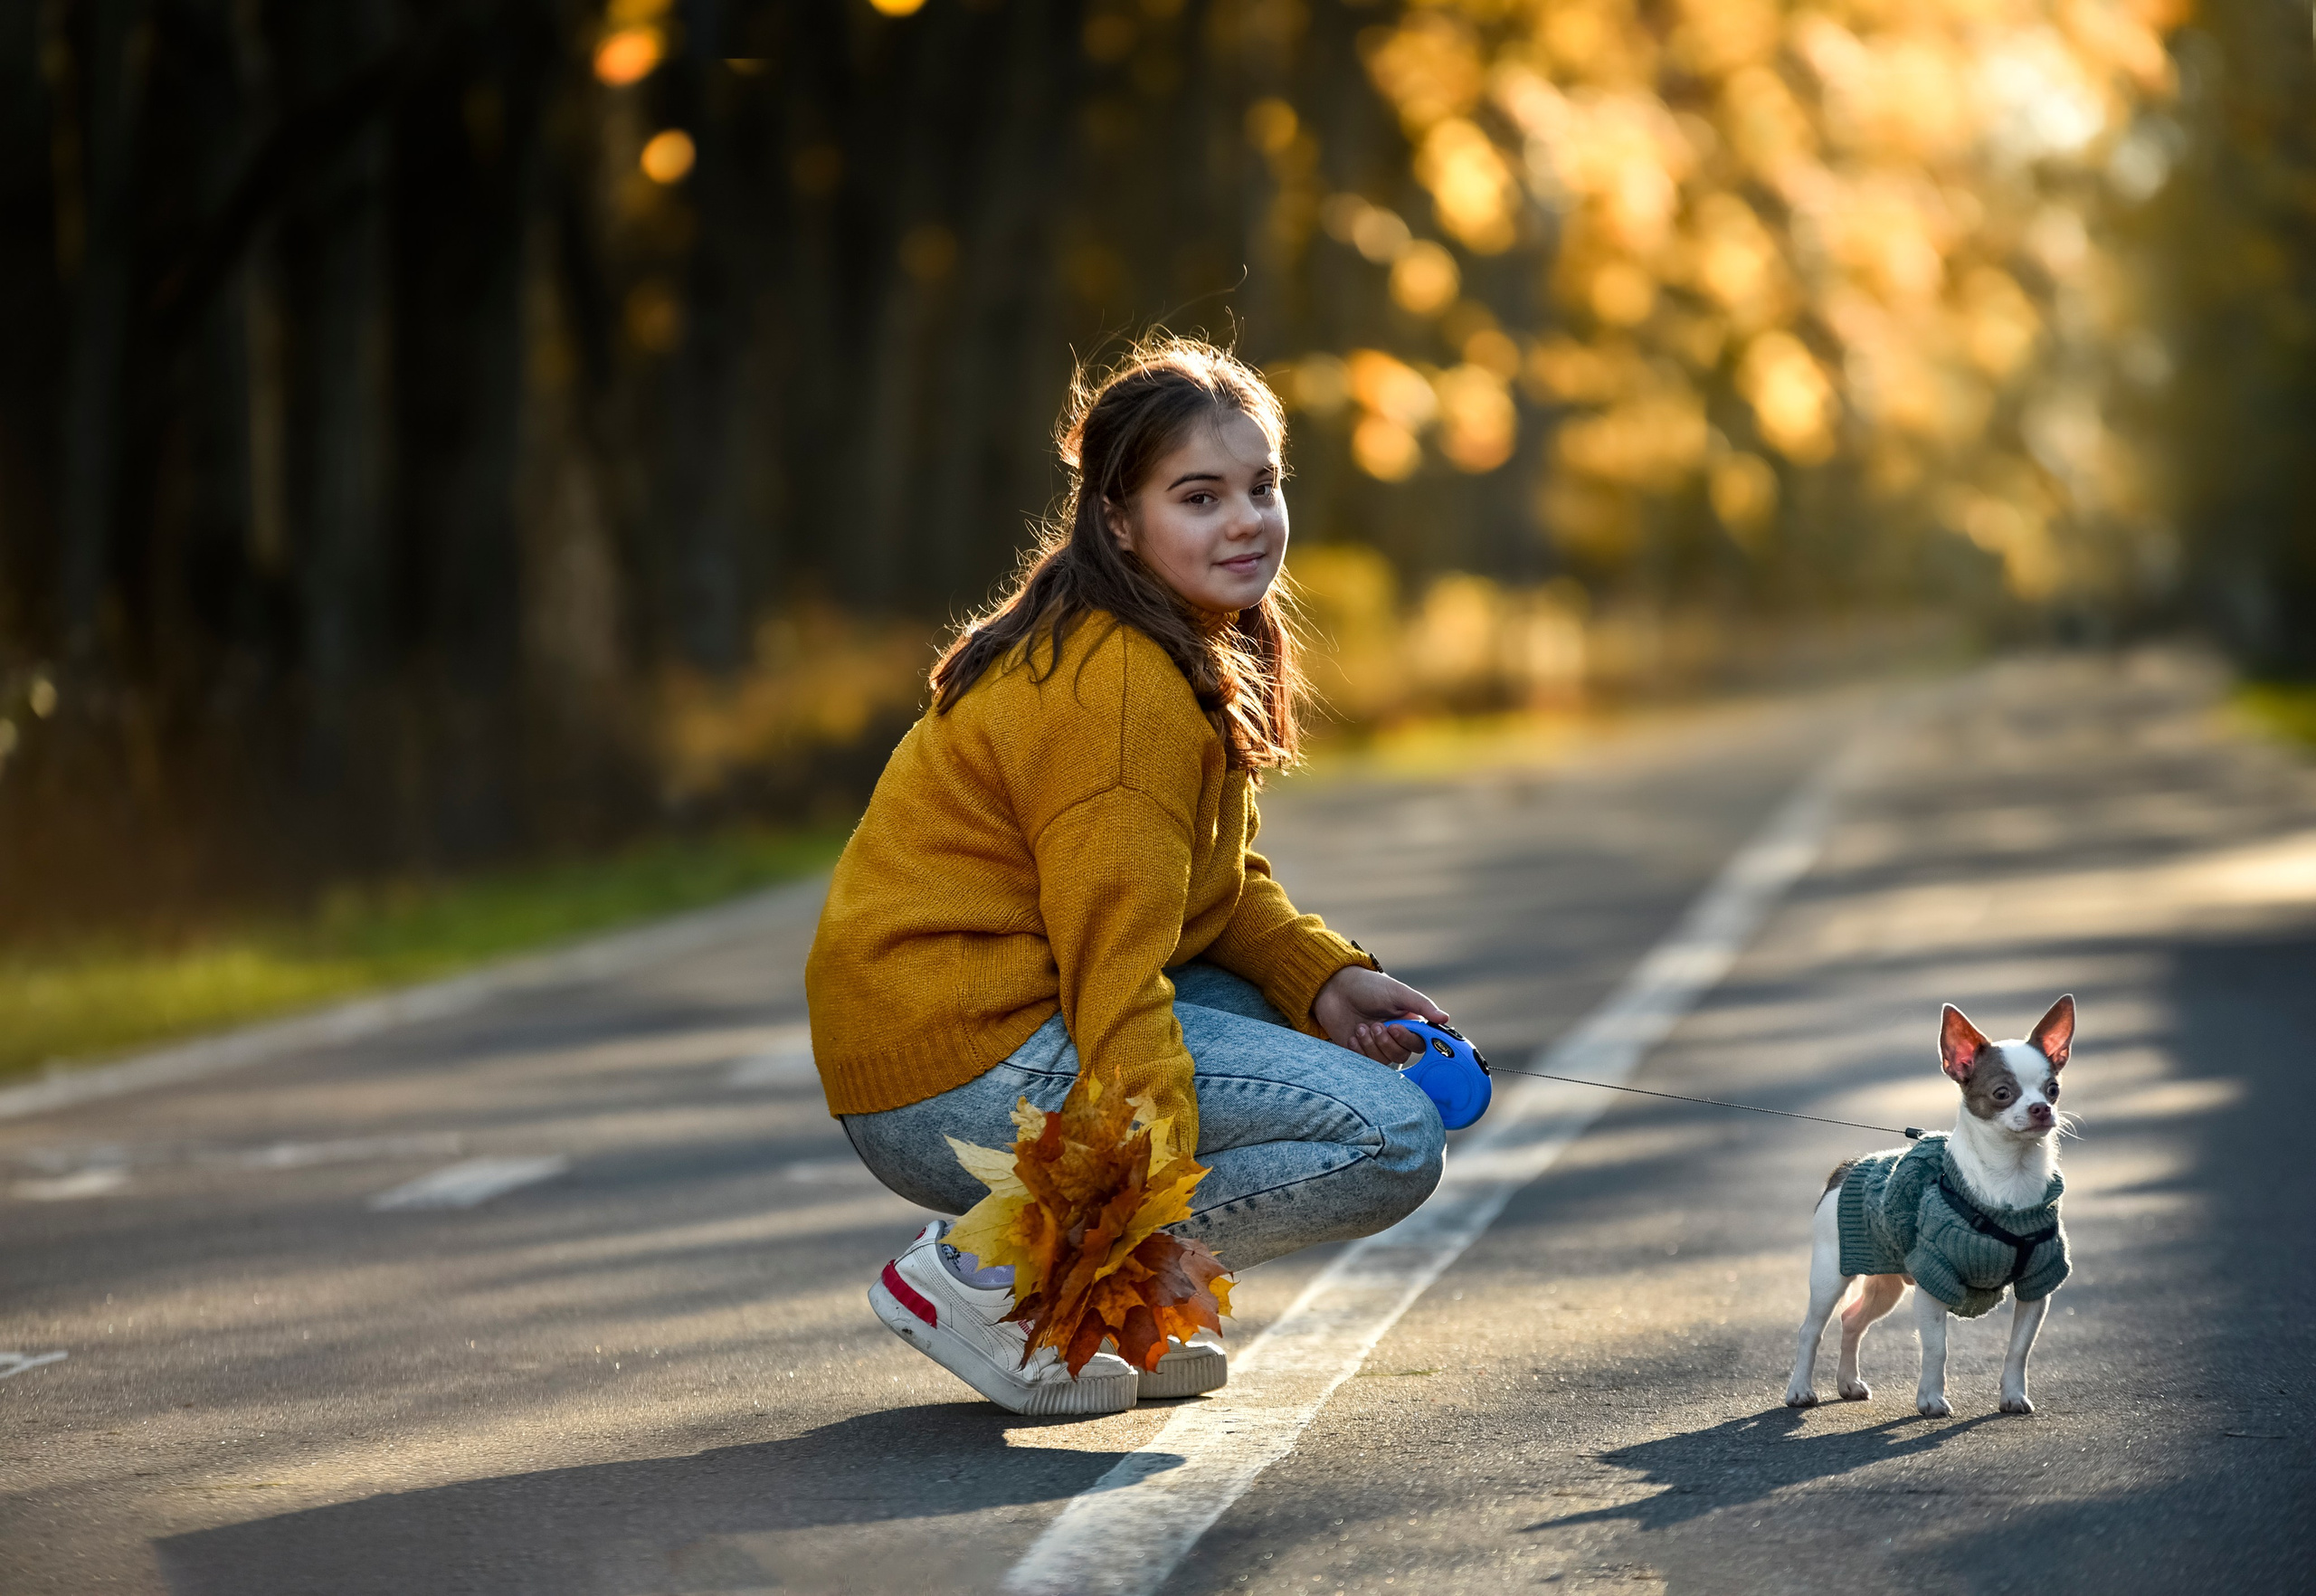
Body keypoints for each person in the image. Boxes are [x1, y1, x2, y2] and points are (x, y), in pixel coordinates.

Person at [805, 336, 1450, 1417]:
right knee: (1389, 1137)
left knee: (1267, 1010)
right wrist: (1110, 1220)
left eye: (1262, 486)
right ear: (1118, 520)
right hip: (955, 1062)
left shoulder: (1168, 642)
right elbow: (1117, 974)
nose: (1245, 519)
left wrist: (1323, 981)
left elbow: (1209, 886)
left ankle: (1091, 1293)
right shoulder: (1121, 690)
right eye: (1198, 497)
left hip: (973, 1029)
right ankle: (1008, 1273)